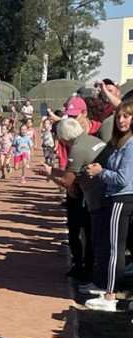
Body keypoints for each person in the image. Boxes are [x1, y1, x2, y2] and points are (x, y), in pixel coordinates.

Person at [34, 117, 107, 287]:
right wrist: (53, 170)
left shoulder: (77, 149)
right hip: (104, 193)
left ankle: (95, 279)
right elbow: (75, 173)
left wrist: (50, 175)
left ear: (64, 137)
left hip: (97, 198)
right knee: (94, 236)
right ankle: (94, 275)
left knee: (94, 238)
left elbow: (67, 182)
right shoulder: (92, 140)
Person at [83, 100, 133, 313]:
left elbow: (123, 178)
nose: (121, 120)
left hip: (122, 199)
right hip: (124, 197)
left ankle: (110, 296)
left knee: (116, 249)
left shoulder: (130, 145)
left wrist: (100, 172)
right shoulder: (122, 142)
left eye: (127, 116)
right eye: (119, 116)